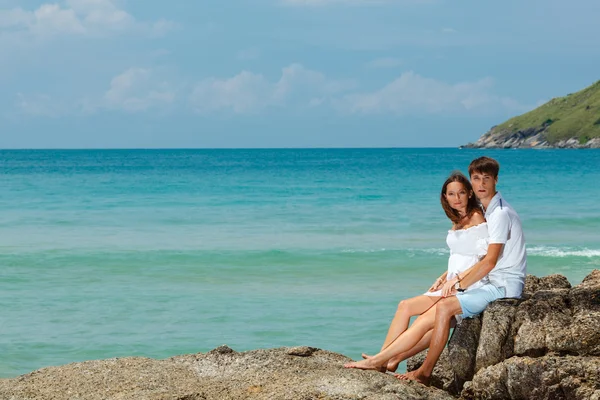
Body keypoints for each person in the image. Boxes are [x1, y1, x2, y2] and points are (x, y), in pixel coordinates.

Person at [397, 156, 527, 384]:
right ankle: (387, 360)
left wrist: (459, 286)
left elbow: (489, 261)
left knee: (441, 310)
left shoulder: (498, 214)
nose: (481, 184)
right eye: (476, 179)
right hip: (493, 281)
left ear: (496, 180)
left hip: (503, 286)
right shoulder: (490, 211)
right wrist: (447, 277)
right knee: (422, 313)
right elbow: (478, 257)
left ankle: (421, 372)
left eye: (486, 179)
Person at [344, 171, 490, 371]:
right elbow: (459, 256)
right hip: (450, 282)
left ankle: (378, 362)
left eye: (461, 193)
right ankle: (385, 359)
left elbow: (485, 259)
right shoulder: (457, 220)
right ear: (445, 197)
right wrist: (442, 277)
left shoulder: (476, 217)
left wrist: (457, 280)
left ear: (469, 194)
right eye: (451, 194)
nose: (457, 198)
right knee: (405, 306)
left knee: (426, 322)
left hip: (469, 285)